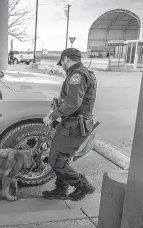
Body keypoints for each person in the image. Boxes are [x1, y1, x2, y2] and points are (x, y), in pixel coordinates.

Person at [42, 48, 97, 201]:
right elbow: (75, 100)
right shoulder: (84, 72)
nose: (62, 66)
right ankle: (61, 189)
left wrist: (53, 116)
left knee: (56, 161)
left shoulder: (77, 75)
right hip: (73, 123)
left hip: (74, 126)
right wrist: (59, 105)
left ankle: (84, 185)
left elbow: (73, 103)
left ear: (66, 59)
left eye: (62, 63)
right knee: (61, 158)